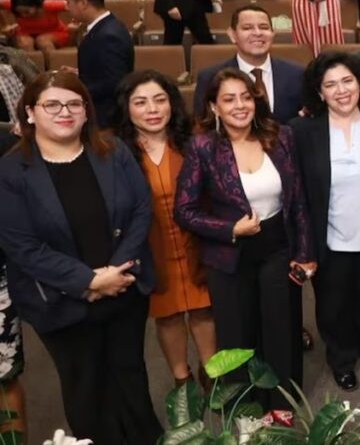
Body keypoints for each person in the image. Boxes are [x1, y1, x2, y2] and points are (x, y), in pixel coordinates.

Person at [0, 70, 162, 444]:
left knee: (131, 377)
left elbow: (141, 210)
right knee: (85, 386)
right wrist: (88, 280)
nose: (65, 112)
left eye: (75, 104)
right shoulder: (11, 170)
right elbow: (21, 245)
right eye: (52, 104)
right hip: (59, 301)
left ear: (87, 112)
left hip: (123, 289)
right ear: (29, 112)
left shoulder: (113, 150)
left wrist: (114, 273)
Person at [174, 68, 315, 408]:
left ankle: (283, 405)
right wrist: (229, 229)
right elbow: (184, 210)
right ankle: (247, 407)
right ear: (214, 107)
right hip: (229, 254)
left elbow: (296, 200)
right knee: (239, 333)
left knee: (281, 329)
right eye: (229, 99)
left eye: (245, 97)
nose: (239, 105)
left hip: (277, 247)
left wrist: (305, 251)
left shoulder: (280, 136)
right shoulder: (203, 147)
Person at [290, 52, 360, 391]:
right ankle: (341, 358)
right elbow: (298, 192)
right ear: (319, 92)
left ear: (359, 83)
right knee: (333, 304)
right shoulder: (302, 129)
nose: (341, 90)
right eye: (330, 85)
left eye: (347, 81)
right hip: (331, 237)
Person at [112, 71, 217, 387]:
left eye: (160, 100)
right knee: (168, 315)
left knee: (204, 310)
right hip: (151, 247)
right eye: (141, 102)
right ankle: (181, 380)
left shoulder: (196, 139)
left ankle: (213, 375)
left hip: (196, 242)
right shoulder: (115, 151)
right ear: (127, 108)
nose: (152, 109)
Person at [193, 6, 305, 124]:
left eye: (264, 27)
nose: (257, 33)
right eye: (247, 28)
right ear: (232, 34)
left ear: (272, 34)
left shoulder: (297, 74)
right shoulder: (210, 77)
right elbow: (202, 125)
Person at [65, 0, 133, 129]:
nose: (66, 8)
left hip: (106, 118)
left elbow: (116, 81)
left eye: (68, 2)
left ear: (83, 3)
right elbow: (104, 69)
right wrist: (79, 73)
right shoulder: (106, 27)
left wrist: (74, 90)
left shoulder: (108, 35)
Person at [0, 0, 69, 51]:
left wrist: (75, 23)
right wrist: (4, 25)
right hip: (25, 33)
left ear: (35, 6)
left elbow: (71, 4)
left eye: (26, 12)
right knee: (25, 43)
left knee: (43, 41)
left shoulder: (47, 5)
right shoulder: (14, 4)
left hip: (55, 32)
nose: (23, 15)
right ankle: (31, 66)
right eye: (19, 13)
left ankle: (53, 64)